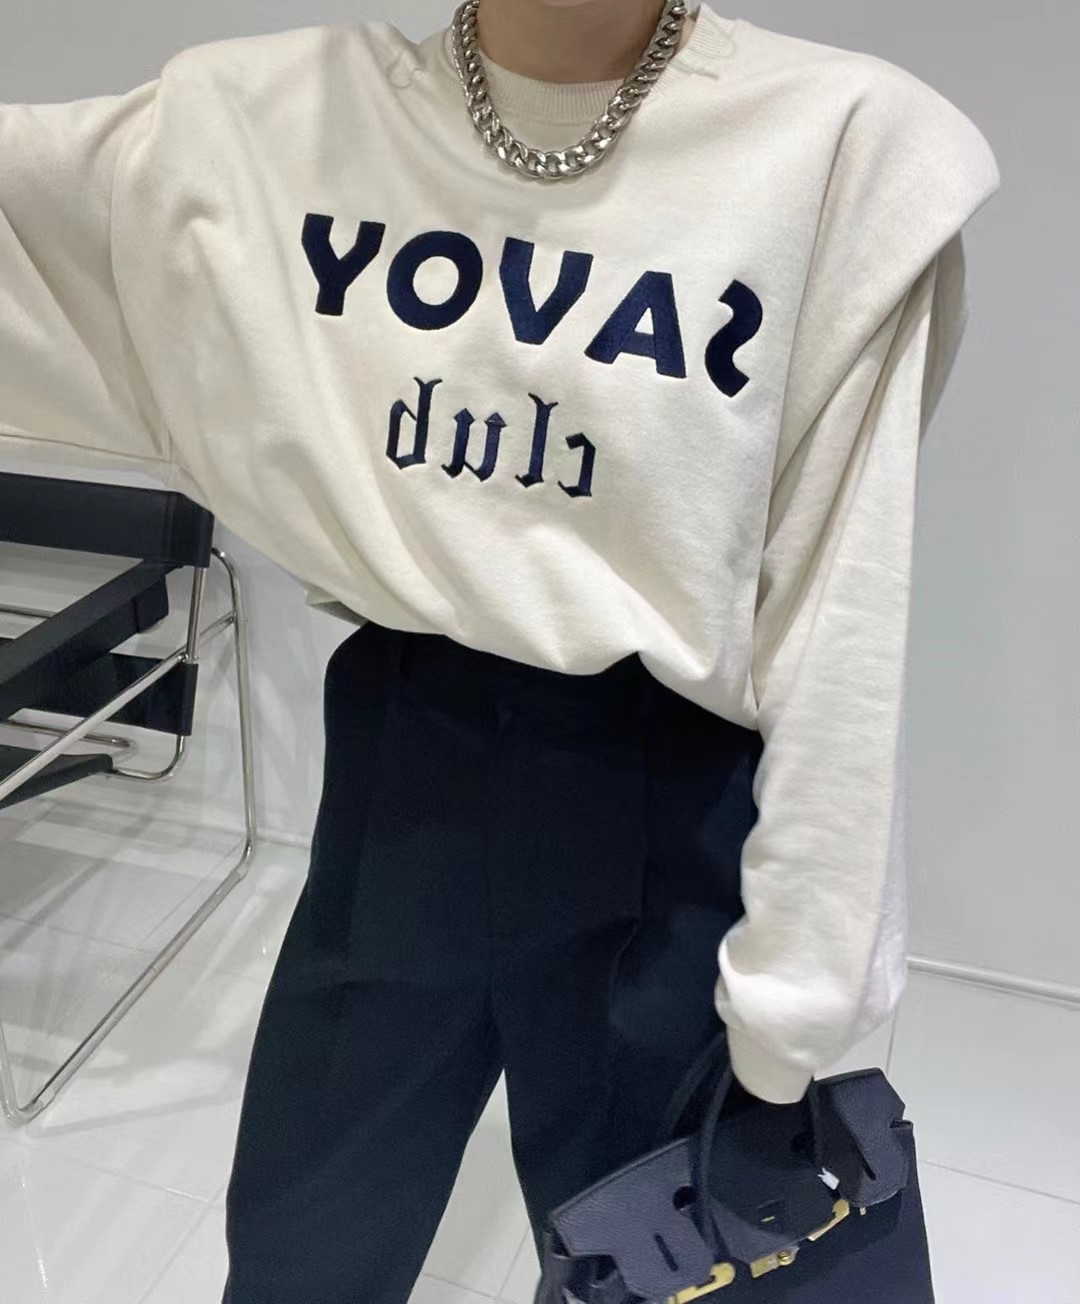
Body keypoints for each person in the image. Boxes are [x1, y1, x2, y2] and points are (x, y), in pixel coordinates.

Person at [0, 0, 1001, 1299]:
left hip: (672, 788)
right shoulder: (270, 128)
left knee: (662, 1256)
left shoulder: (838, 148)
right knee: (306, 1245)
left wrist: (801, 1002)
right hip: (405, 756)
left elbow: (839, 601)